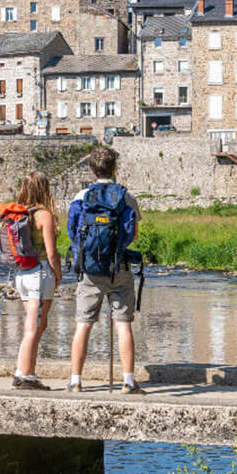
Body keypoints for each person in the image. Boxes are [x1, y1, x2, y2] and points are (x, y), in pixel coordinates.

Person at [66, 146, 144, 396]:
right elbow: (133, 234)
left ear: (91, 169)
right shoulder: (125, 198)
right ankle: (128, 382)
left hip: (88, 270)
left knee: (83, 325)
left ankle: (76, 381)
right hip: (118, 268)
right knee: (123, 324)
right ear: (115, 168)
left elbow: (72, 232)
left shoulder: (81, 197)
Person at [0, 170, 62, 390]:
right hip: (40, 274)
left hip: (21, 275)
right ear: (45, 189)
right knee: (34, 325)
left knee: (38, 324)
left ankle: (27, 372)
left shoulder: (18, 214)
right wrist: (58, 275)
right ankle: (23, 374)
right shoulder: (44, 215)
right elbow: (52, 253)